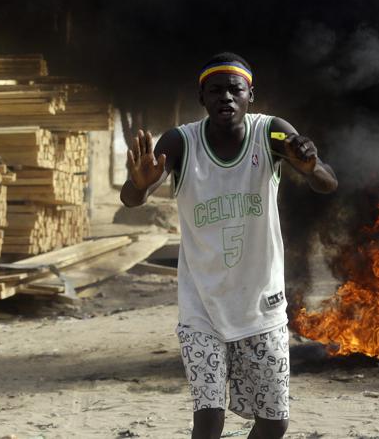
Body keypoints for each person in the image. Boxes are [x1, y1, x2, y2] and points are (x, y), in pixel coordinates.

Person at [120, 52, 338, 439]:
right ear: (201, 97)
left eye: (235, 89)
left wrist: (311, 168)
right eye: (215, 90)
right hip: (200, 304)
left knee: (274, 421)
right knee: (209, 417)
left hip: (261, 302)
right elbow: (133, 198)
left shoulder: (270, 133)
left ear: (250, 95)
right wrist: (139, 183)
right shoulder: (181, 142)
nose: (226, 97)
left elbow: (327, 182)